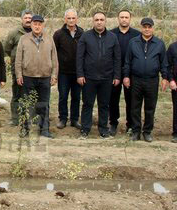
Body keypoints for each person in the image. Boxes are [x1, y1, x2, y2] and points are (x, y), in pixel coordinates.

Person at [76, 11, 121, 139]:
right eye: (97, 20)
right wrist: (80, 74)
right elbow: (79, 57)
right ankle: (85, 130)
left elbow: (117, 58)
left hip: (107, 78)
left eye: (101, 20)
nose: (99, 22)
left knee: (104, 105)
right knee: (87, 104)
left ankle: (103, 130)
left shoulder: (113, 37)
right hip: (89, 78)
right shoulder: (85, 36)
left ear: (105, 21)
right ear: (93, 21)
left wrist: (117, 76)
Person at [14, 14, 58, 138]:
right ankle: (25, 129)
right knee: (26, 104)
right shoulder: (23, 39)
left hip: (45, 77)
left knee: (44, 104)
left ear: (43, 25)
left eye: (39, 24)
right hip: (28, 76)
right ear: (31, 25)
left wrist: (54, 75)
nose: (37, 26)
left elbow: (54, 59)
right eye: (35, 24)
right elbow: (18, 59)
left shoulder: (49, 39)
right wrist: (19, 75)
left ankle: (44, 130)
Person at [122, 17, 166, 142]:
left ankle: (147, 131)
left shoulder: (159, 44)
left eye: (149, 27)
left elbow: (164, 63)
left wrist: (164, 77)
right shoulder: (133, 42)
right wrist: (126, 76)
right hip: (136, 79)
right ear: (141, 28)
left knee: (150, 107)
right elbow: (127, 61)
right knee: (135, 106)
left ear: (153, 28)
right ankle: (136, 131)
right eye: (144, 27)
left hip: (152, 80)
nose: (147, 29)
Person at [110, 10, 141, 135]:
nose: (124, 19)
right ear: (118, 18)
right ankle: (113, 123)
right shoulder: (111, 34)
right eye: (121, 17)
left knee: (131, 100)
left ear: (130, 19)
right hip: (114, 72)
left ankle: (131, 124)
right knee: (113, 99)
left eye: (126, 17)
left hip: (131, 73)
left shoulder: (137, 35)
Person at [53, 9, 83, 129]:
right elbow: (53, 53)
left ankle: (74, 119)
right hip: (63, 72)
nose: (71, 20)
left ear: (77, 19)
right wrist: (55, 72)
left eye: (73, 18)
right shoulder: (58, 34)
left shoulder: (82, 33)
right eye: (69, 18)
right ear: (65, 19)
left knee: (76, 97)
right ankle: (63, 118)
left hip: (77, 72)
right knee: (63, 96)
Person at [3, 10, 33, 126]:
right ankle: (15, 118)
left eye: (30, 18)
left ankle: (31, 117)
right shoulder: (14, 33)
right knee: (17, 93)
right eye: (26, 18)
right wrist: (15, 60)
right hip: (17, 68)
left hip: (33, 69)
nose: (28, 20)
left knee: (32, 93)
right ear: (22, 19)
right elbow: (7, 49)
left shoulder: (37, 32)